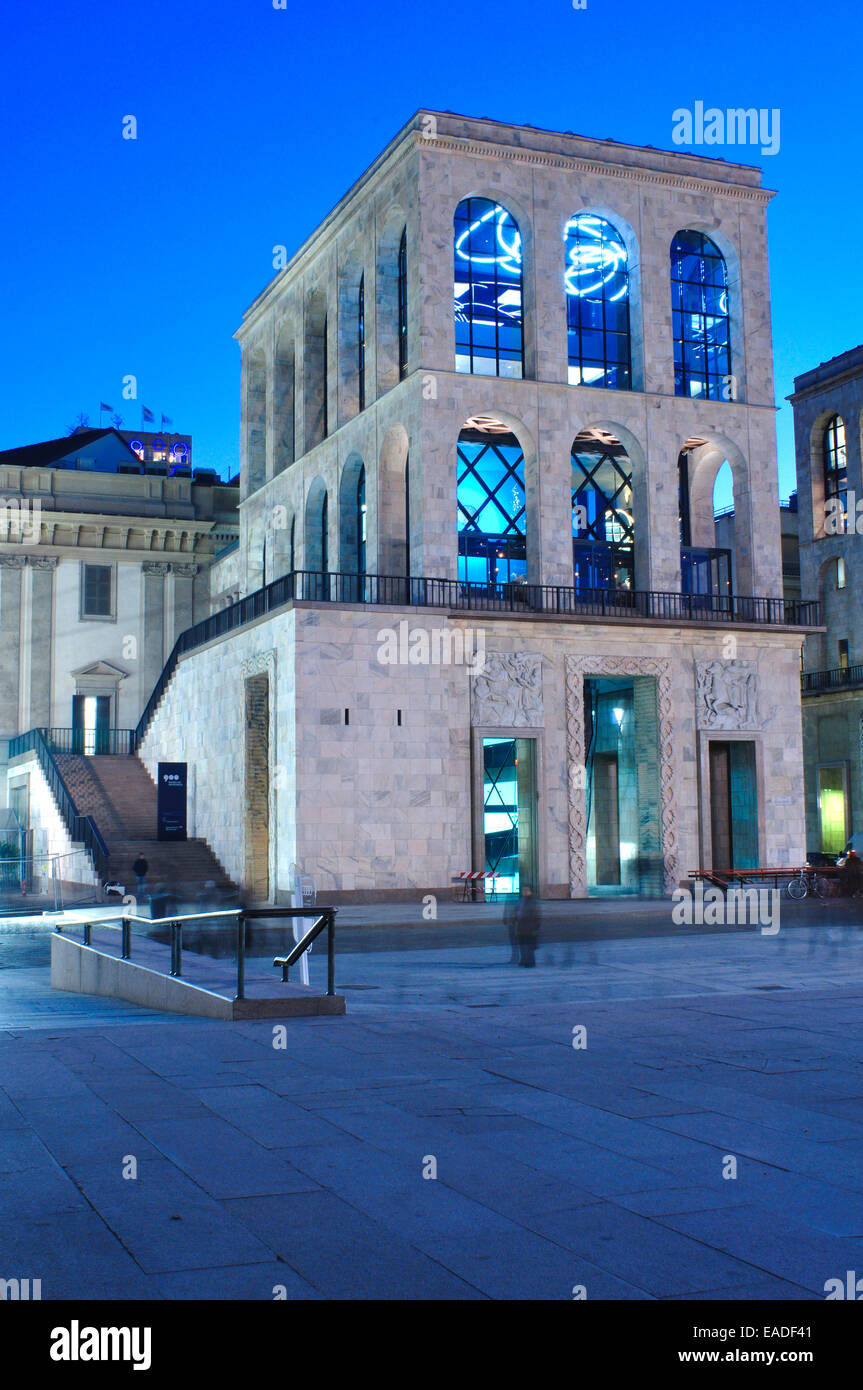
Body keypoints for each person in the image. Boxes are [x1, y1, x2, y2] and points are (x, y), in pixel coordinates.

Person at [515, 884, 541, 967]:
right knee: (522, 945)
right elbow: (517, 911)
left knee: (529, 946)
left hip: (529, 927)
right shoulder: (521, 901)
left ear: (530, 892)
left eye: (527, 890)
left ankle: (530, 962)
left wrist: (535, 927)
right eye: (523, 890)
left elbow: (537, 915)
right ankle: (523, 960)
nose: (525, 892)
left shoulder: (532, 902)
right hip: (521, 927)